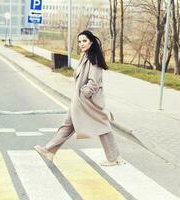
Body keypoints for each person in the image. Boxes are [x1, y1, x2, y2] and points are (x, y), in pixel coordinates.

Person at [34, 30, 124, 166]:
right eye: (80, 41)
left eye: (84, 41)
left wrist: (84, 93)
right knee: (69, 125)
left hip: (89, 101)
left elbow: (94, 82)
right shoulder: (85, 56)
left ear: (91, 42)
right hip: (80, 100)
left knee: (102, 125)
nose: (81, 44)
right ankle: (49, 150)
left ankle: (113, 158)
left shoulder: (94, 59)